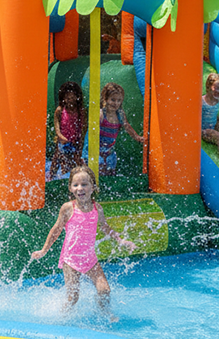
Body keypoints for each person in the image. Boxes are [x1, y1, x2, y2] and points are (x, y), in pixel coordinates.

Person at [30, 166, 135, 322]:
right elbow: (56, 229)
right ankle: (59, 318)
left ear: (93, 187)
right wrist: (44, 250)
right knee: (73, 298)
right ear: (71, 188)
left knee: (104, 290)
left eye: (84, 184)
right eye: (76, 185)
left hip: (89, 259)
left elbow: (105, 227)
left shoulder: (97, 209)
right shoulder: (68, 208)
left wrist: (120, 240)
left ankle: (104, 313)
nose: (80, 188)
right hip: (70, 259)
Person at [99, 82, 145, 175]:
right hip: (98, 148)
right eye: (113, 100)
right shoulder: (101, 114)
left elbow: (127, 126)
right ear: (105, 99)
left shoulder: (120, 113)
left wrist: (138, 137)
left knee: (110, 172)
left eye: (119, 100)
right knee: (99, 170)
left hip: (109, 150)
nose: (116, 103)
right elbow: (92, 133)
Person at [51, 82, 86, 180]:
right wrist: (61, 137)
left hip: (75, 141)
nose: (70, 100)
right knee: (57, 159)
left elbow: (83, 127)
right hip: (63, 141)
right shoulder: (60, 110)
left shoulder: (80, 111)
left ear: (77, 97)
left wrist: (81, 142)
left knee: (76, 160)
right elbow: (57, 127)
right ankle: (52, 177)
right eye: (67, 98)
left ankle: (76, 179)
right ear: (63, 98)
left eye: (72, 97)